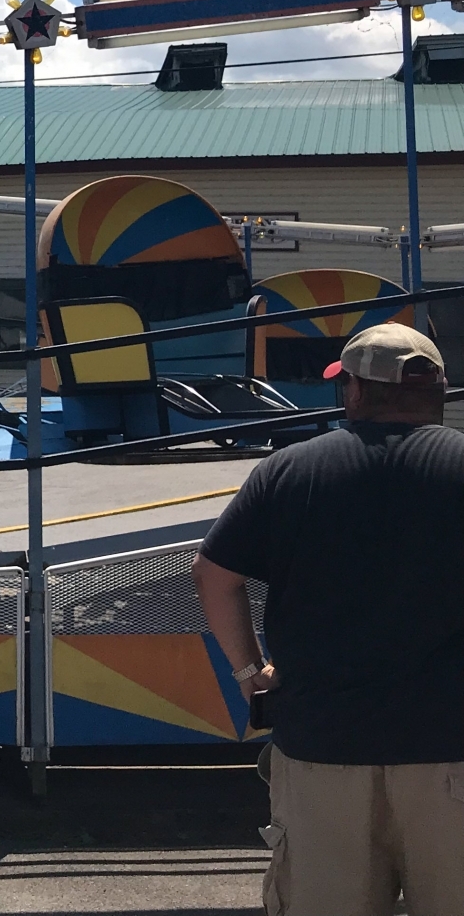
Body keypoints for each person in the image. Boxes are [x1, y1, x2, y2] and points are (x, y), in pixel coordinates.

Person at [194, 322, 464, 916]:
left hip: (323, 752)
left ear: (356, 393)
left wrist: (249, 672)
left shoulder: (290, 472)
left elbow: (214, 577)